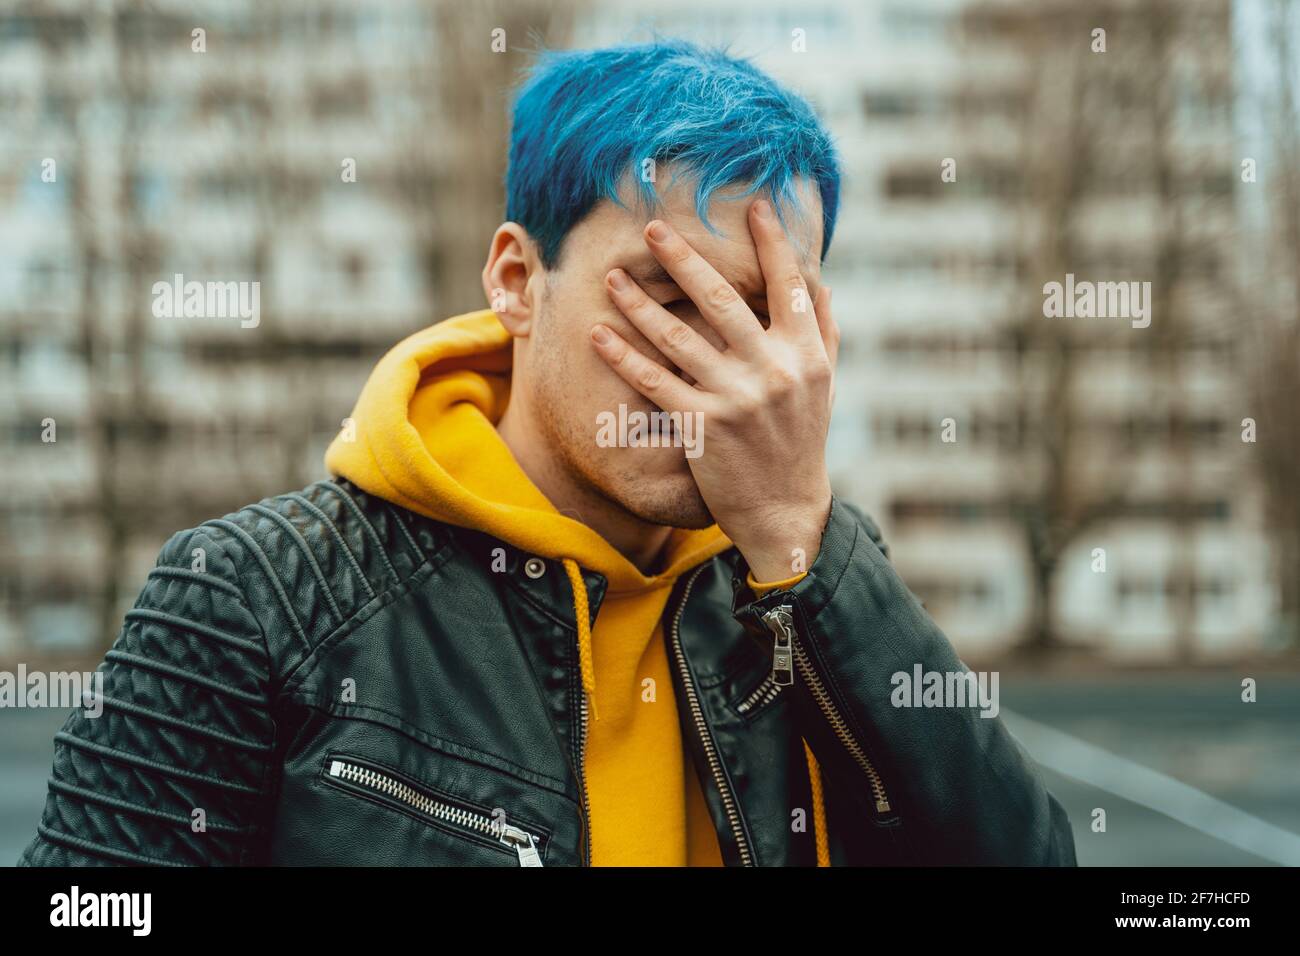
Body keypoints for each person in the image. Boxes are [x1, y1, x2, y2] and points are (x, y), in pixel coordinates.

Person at [19, 39, 1075, 866]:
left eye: (757, 317)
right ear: (518, 281)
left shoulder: (808, 586)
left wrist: (801, 544)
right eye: (664, 303)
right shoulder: (258, 595)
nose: (710, 369)